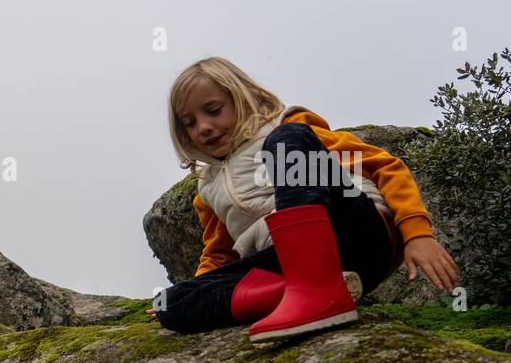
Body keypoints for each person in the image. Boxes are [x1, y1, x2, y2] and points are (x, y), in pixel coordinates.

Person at [151, 56, 459, 341]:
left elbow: (385, 166)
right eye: (189, 123)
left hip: (356, 236)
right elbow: (219, 255)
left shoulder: (286, 125)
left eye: (214, 111)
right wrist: (193, 293)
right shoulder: (208, 190)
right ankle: (306, 291)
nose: (203, 127)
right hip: (291, 262)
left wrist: (417, 234)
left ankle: (314, 289)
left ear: (242, 99)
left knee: (287, 142)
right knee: (170, 303)